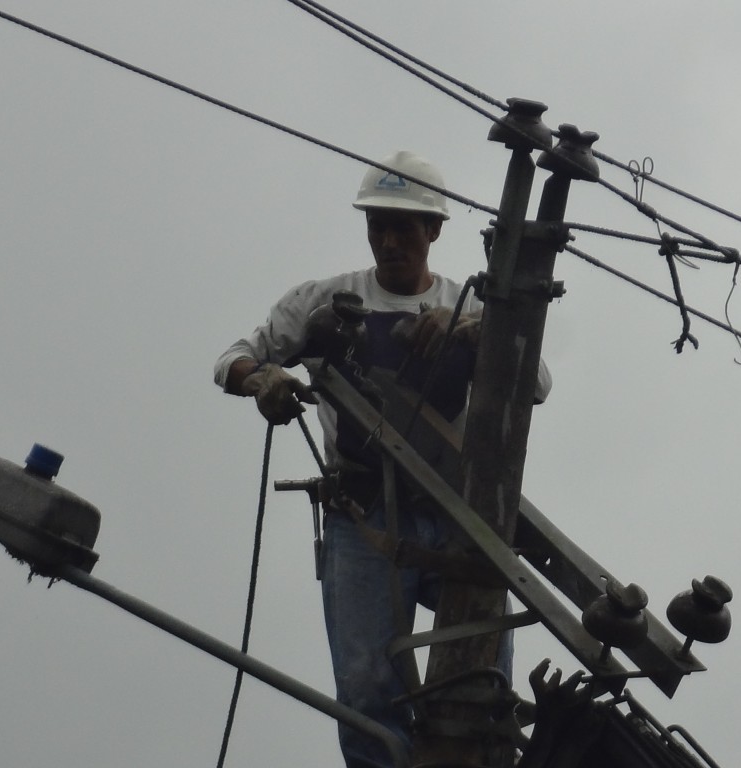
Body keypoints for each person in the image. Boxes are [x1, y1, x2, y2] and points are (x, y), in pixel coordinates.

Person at [213, 150, 551, 768]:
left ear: (434, 230)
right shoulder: (324, 301)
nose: (389, 241)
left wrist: (471, 332)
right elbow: (233, 357)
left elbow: (537, 382)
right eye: (378, 226)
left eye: (403, 227)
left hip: (454, 515)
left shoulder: (471, 307)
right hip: (362, 514)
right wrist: (263, 379)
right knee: (369, 691)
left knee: (481, 682)